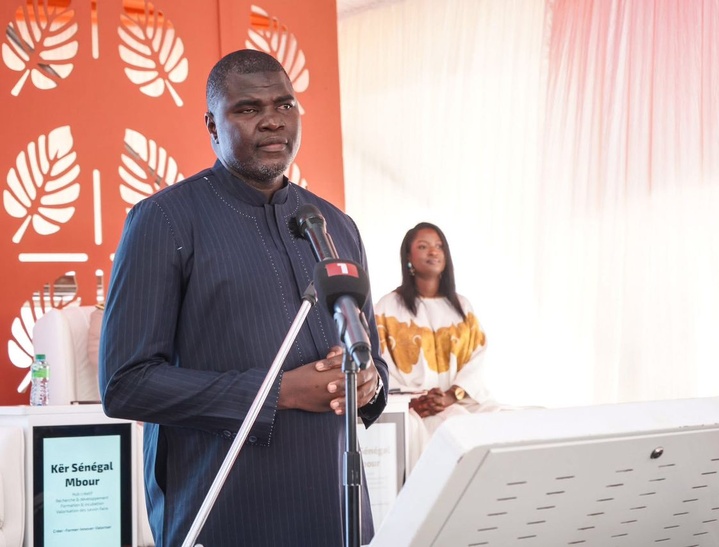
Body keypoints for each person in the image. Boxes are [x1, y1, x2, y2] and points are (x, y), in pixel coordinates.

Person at [99, 49, 387, 547]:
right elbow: (126, 383)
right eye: (249, 108)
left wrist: (366, 382)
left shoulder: (336, 225)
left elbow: (373, 362)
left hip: (338, 517)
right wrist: (279, 392)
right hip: (226, 516)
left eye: (285, 105)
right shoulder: (164, 220)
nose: (273, 120)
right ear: (212, 125)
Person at [374, 222, 500, 471]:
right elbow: (379, 362)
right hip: (412, 407)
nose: (433, 252)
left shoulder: (462, 307)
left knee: (507, 420)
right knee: (448, 431)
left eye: (439, 246)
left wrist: (452, 395)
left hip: (457, 399)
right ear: (408, 256)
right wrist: (413, 402)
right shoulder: (388, 307)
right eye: (423, 246)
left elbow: (477, 356)